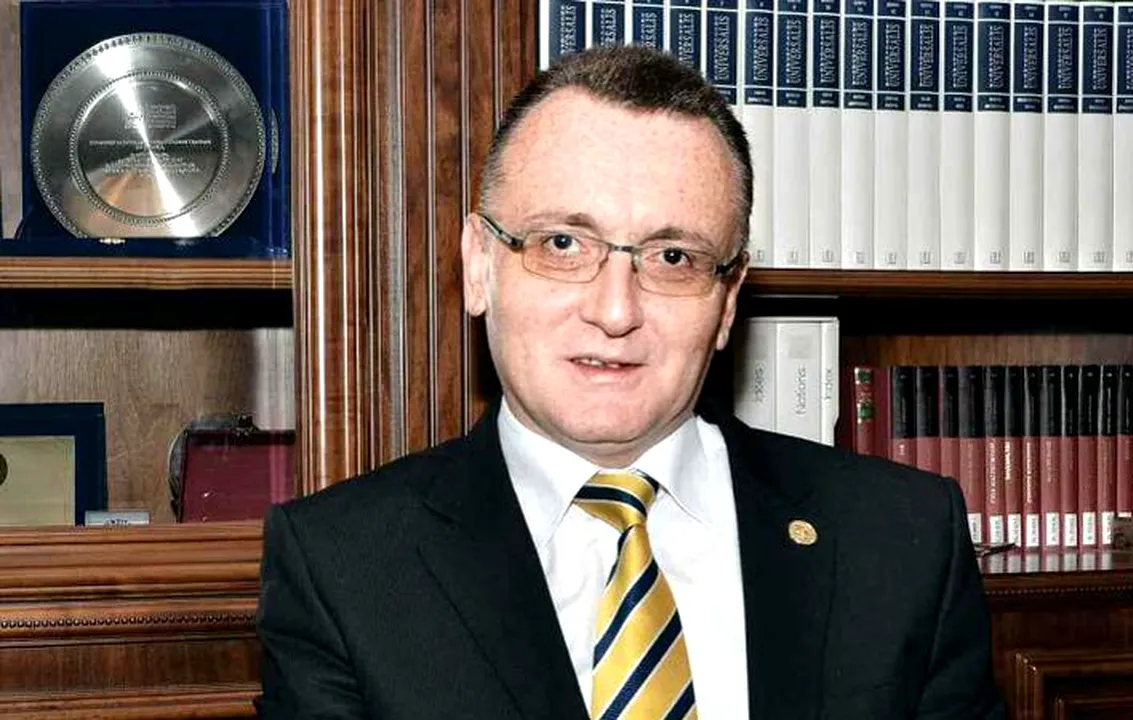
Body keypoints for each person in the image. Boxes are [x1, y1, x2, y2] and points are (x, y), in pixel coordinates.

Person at [254, 43, 1007, 720]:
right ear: (479, 265)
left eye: (673, 257)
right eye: (562, 243)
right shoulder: (344, 566)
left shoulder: (901, 541)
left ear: (728, 301)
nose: (616, 311)